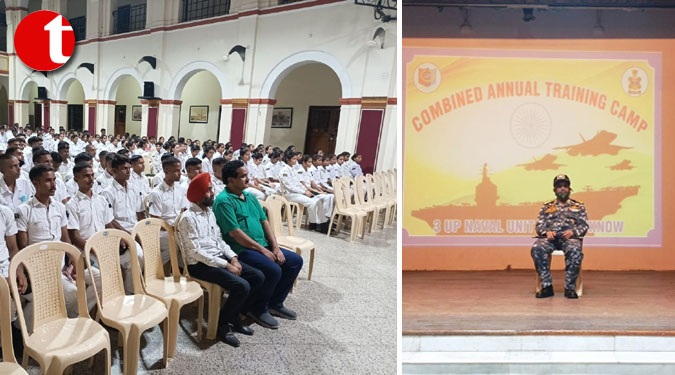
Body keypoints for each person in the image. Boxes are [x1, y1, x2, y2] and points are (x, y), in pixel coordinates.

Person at [176, 173, 263, 347]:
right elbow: (195, 252)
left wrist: (234, 258)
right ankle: (222, 325)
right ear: (200, 194)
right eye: (209, 190)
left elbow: (220, 241)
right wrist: (226, 265)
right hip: (199, 265)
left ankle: (235, 317)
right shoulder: (188, 218)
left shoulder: (209, 213)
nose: (213, 192)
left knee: (257, 276)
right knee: (241, 285)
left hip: (218, 258)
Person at [213, 160, 303, 330]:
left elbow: (264, 221)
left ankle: (275, 303)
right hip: (240, 249)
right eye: (244, 176)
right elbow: (235, 233)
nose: (249, 179)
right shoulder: (224, 201)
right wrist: (263, 250)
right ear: (231, 180)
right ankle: (256, 308)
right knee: (273, 269)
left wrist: (275, 247)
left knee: (294, 261)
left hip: (261, 245)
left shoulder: (250, 197)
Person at [16, 165, 96, 330]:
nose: (54, 184)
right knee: (68, 294)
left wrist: (73, 260)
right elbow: (22, 246)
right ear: (35, 183)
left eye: (54, 180)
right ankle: (23, 328)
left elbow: (65, 238)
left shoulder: (59, 207)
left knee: (98, 279)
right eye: (48, 180)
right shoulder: (24, 210)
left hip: (60, 263)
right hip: (37, 267)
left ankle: (71, 320)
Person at [531, 174, 589, 299]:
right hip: (550, 239)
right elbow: (539, 225)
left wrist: (573, 232)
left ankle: (570, 288)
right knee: (537, 248)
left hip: (569, 238)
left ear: (569, 189)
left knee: (575, 250)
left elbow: (584, 226)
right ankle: (546, 287)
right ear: (554, 190)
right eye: (559, 186)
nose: (562, 188)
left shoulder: (578, 206)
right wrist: (546, 232)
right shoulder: (547, 206)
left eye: (565, 186)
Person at [100, 156, 146, 294]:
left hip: (134, 228)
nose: (128, 171)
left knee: (153, 246)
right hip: (118, 231)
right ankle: (130, 291)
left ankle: (145, 283)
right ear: (114, 171)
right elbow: (110, 220)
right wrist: (126, 234)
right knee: (137, 255)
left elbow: (139, 212)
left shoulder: (133, 188)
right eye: (124, 169)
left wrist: (142, 230)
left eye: (129, 168)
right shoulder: (107, 192)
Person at [147, 156, 189, 264]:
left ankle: (181, 271)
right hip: (162, 231)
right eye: (176, 171)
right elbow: (156, 220)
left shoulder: (180, 189)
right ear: (166, 171)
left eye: (180, 170)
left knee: (193, 241)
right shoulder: (157, 193)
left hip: (177, 228)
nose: (180, 173)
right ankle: (155, 268)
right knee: (176, 244)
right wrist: (173, 228)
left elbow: (184, 211)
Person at [279, 152, 332, 233]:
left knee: (318, 201)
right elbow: (290, 186)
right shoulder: (284, 170)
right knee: (312, 203)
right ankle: (313, 224)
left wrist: (306, 190)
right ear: (287, 159)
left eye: (296, 159)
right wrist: (304, 192)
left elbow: (298, 183)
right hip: (290, 194)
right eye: (293, 159)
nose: (295, 161)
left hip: (298, 192)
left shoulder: (293, 169)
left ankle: (323, 223)